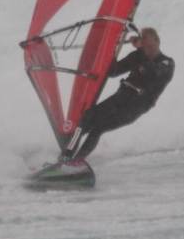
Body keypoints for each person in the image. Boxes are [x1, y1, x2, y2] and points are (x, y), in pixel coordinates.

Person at [61, 26, 174, 163]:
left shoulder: (167, 63)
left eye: (149, 44)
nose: (147, 48)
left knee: (98, 128)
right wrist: (114, 46)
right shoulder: (138, 55)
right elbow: (113, 71)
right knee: (86, 118)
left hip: (136, 106)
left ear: (157, 41)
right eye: (144, 44)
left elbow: (151, 71)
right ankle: (65, 156)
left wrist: (140, 48)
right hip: (121, 96)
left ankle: (76, 161)